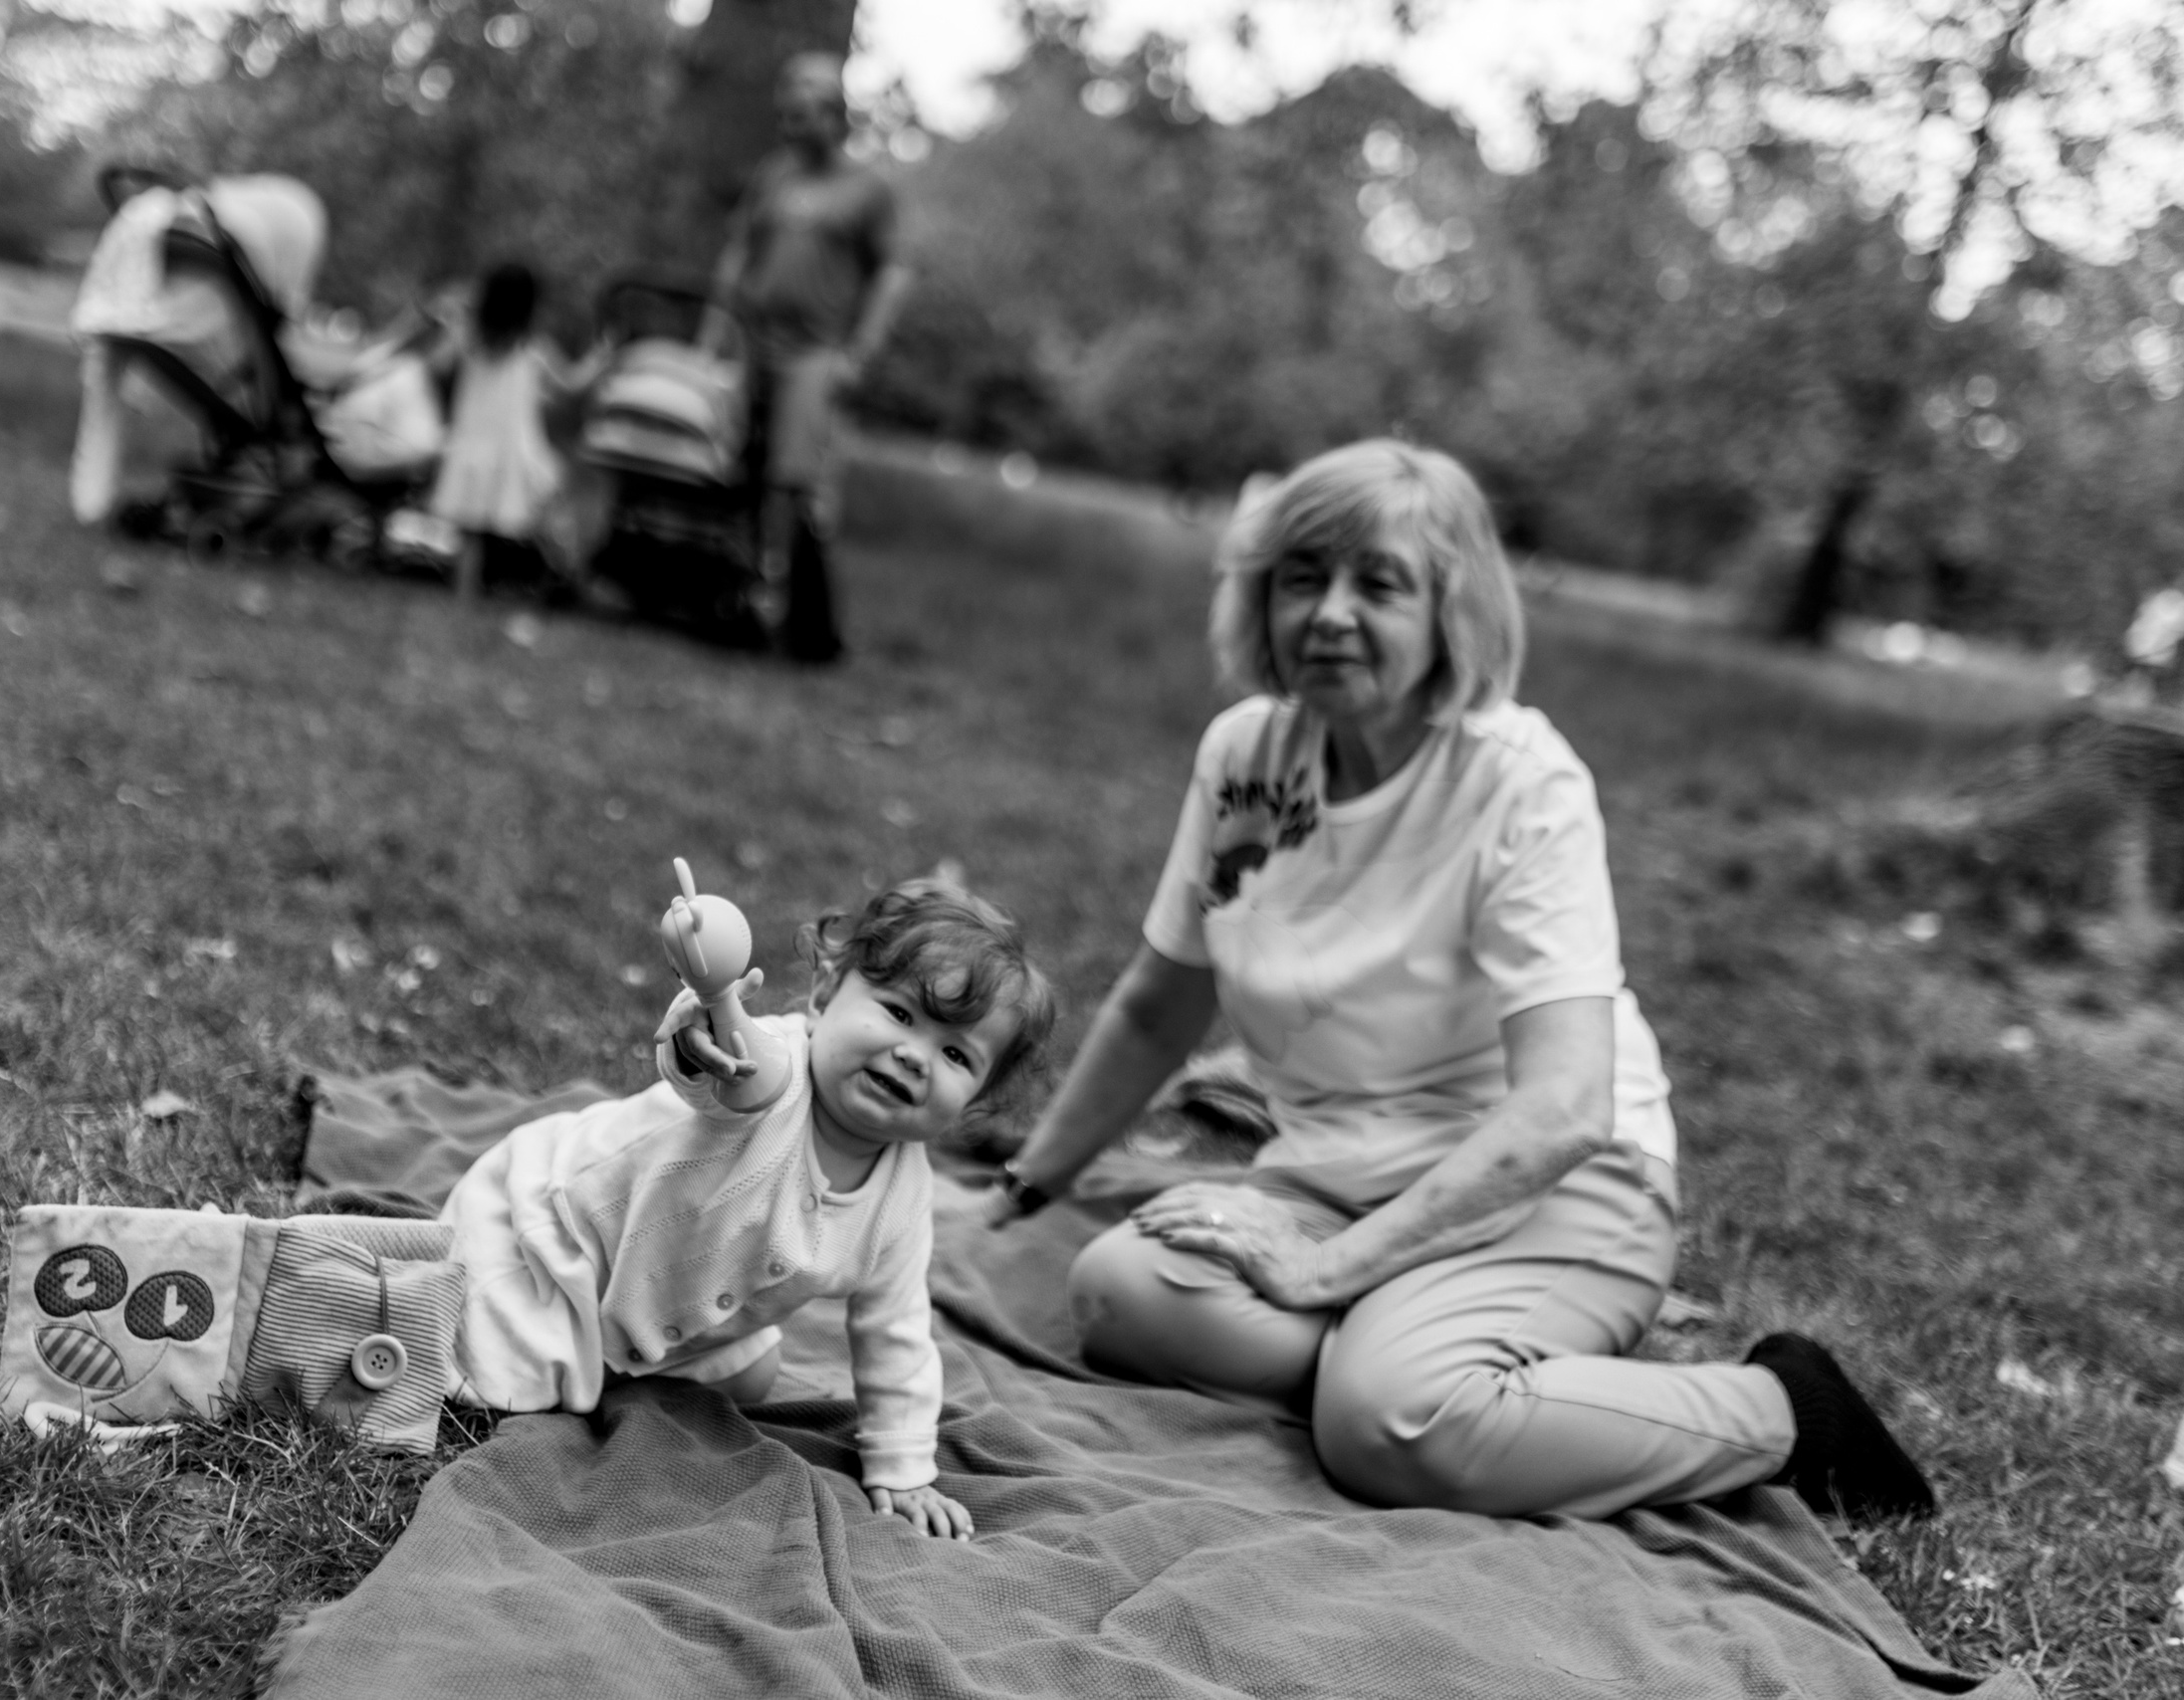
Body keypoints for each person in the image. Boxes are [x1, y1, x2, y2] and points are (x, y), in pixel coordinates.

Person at [985, 440, 1936, 1524]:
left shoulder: (1520, 783)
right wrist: (1027, 1182)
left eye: (1377, 584)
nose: (1331, 612)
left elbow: (1562, 1110)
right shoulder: (1245, 752)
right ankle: (1432, 1356)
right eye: (1303, 577)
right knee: (1119, 1292)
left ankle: (1783, 1410)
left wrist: (1324, 1268)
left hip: (1554, 1187)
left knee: (1389, 1424)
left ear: (1451, 611)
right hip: (1338, 1169)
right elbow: (1163, 998)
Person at [439, 879, 1057, 1540]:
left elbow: (896, 1332)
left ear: (974, 1100)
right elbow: (731, 1065)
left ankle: (613, 1360)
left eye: (956, 1054)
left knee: (753, 1375)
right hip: (551, 1237)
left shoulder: (903, 1199)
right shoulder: (773, 1073)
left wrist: (903, 1468)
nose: (914, 1054)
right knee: (491, 1383)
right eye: (900, 1014)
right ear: (823, 996)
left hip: (665, 1302)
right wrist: (712, 1018)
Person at [707, 51, 914, 663]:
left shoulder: (867, 190)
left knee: (794, 484)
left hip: (815, 353)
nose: (792, 127)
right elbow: (738, 252)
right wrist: (711, 336)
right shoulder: (774, 176)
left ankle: (800, 621)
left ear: (835, 115)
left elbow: (894, 276)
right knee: (734, 467)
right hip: (754, 344)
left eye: (804, 115)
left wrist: (859, 354)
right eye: (786, 116)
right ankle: (735, 600)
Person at [68, 162, 328, 528]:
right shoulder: (229, 242)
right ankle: (94, 503)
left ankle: (92, 502)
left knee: (110, 380)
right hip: (188, 299)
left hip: (150, 298)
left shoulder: (188, 224)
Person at [428, 261, 610, 601]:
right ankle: (571, 582)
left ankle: (464, 595)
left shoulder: (468, 339)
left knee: (471, 533)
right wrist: (600, 359)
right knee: (544, 520)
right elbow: (572, 386)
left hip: (472, 447)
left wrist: (451, 318)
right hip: (517, 450)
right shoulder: (533, 349)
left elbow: (437, 365)